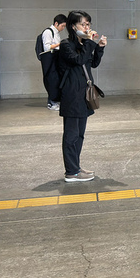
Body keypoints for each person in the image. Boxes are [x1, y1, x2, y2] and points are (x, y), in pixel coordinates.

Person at [56, 10, 106, 182]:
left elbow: (92, 63)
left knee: (80, 134)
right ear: (73, 26)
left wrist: (99, 48)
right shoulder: (66, 45)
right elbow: (78, 60)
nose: (87, 27)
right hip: (71, 95)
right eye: (83, 24)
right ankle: (71, 172)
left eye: (88, 24)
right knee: (71, 135)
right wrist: (90, 43)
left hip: (83, 95)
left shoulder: (82, 44)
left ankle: (75, 166)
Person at [39, 14, 67, 110]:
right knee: (52, 80)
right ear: (56, 23)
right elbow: (47, 47)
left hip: (56, 59)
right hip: (50, 59)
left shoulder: (56, 33)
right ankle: (52, 103)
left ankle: (54, 101)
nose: (63, 28)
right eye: (62, 26)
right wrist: (60, 44)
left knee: (57, 80)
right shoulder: (48, 32)